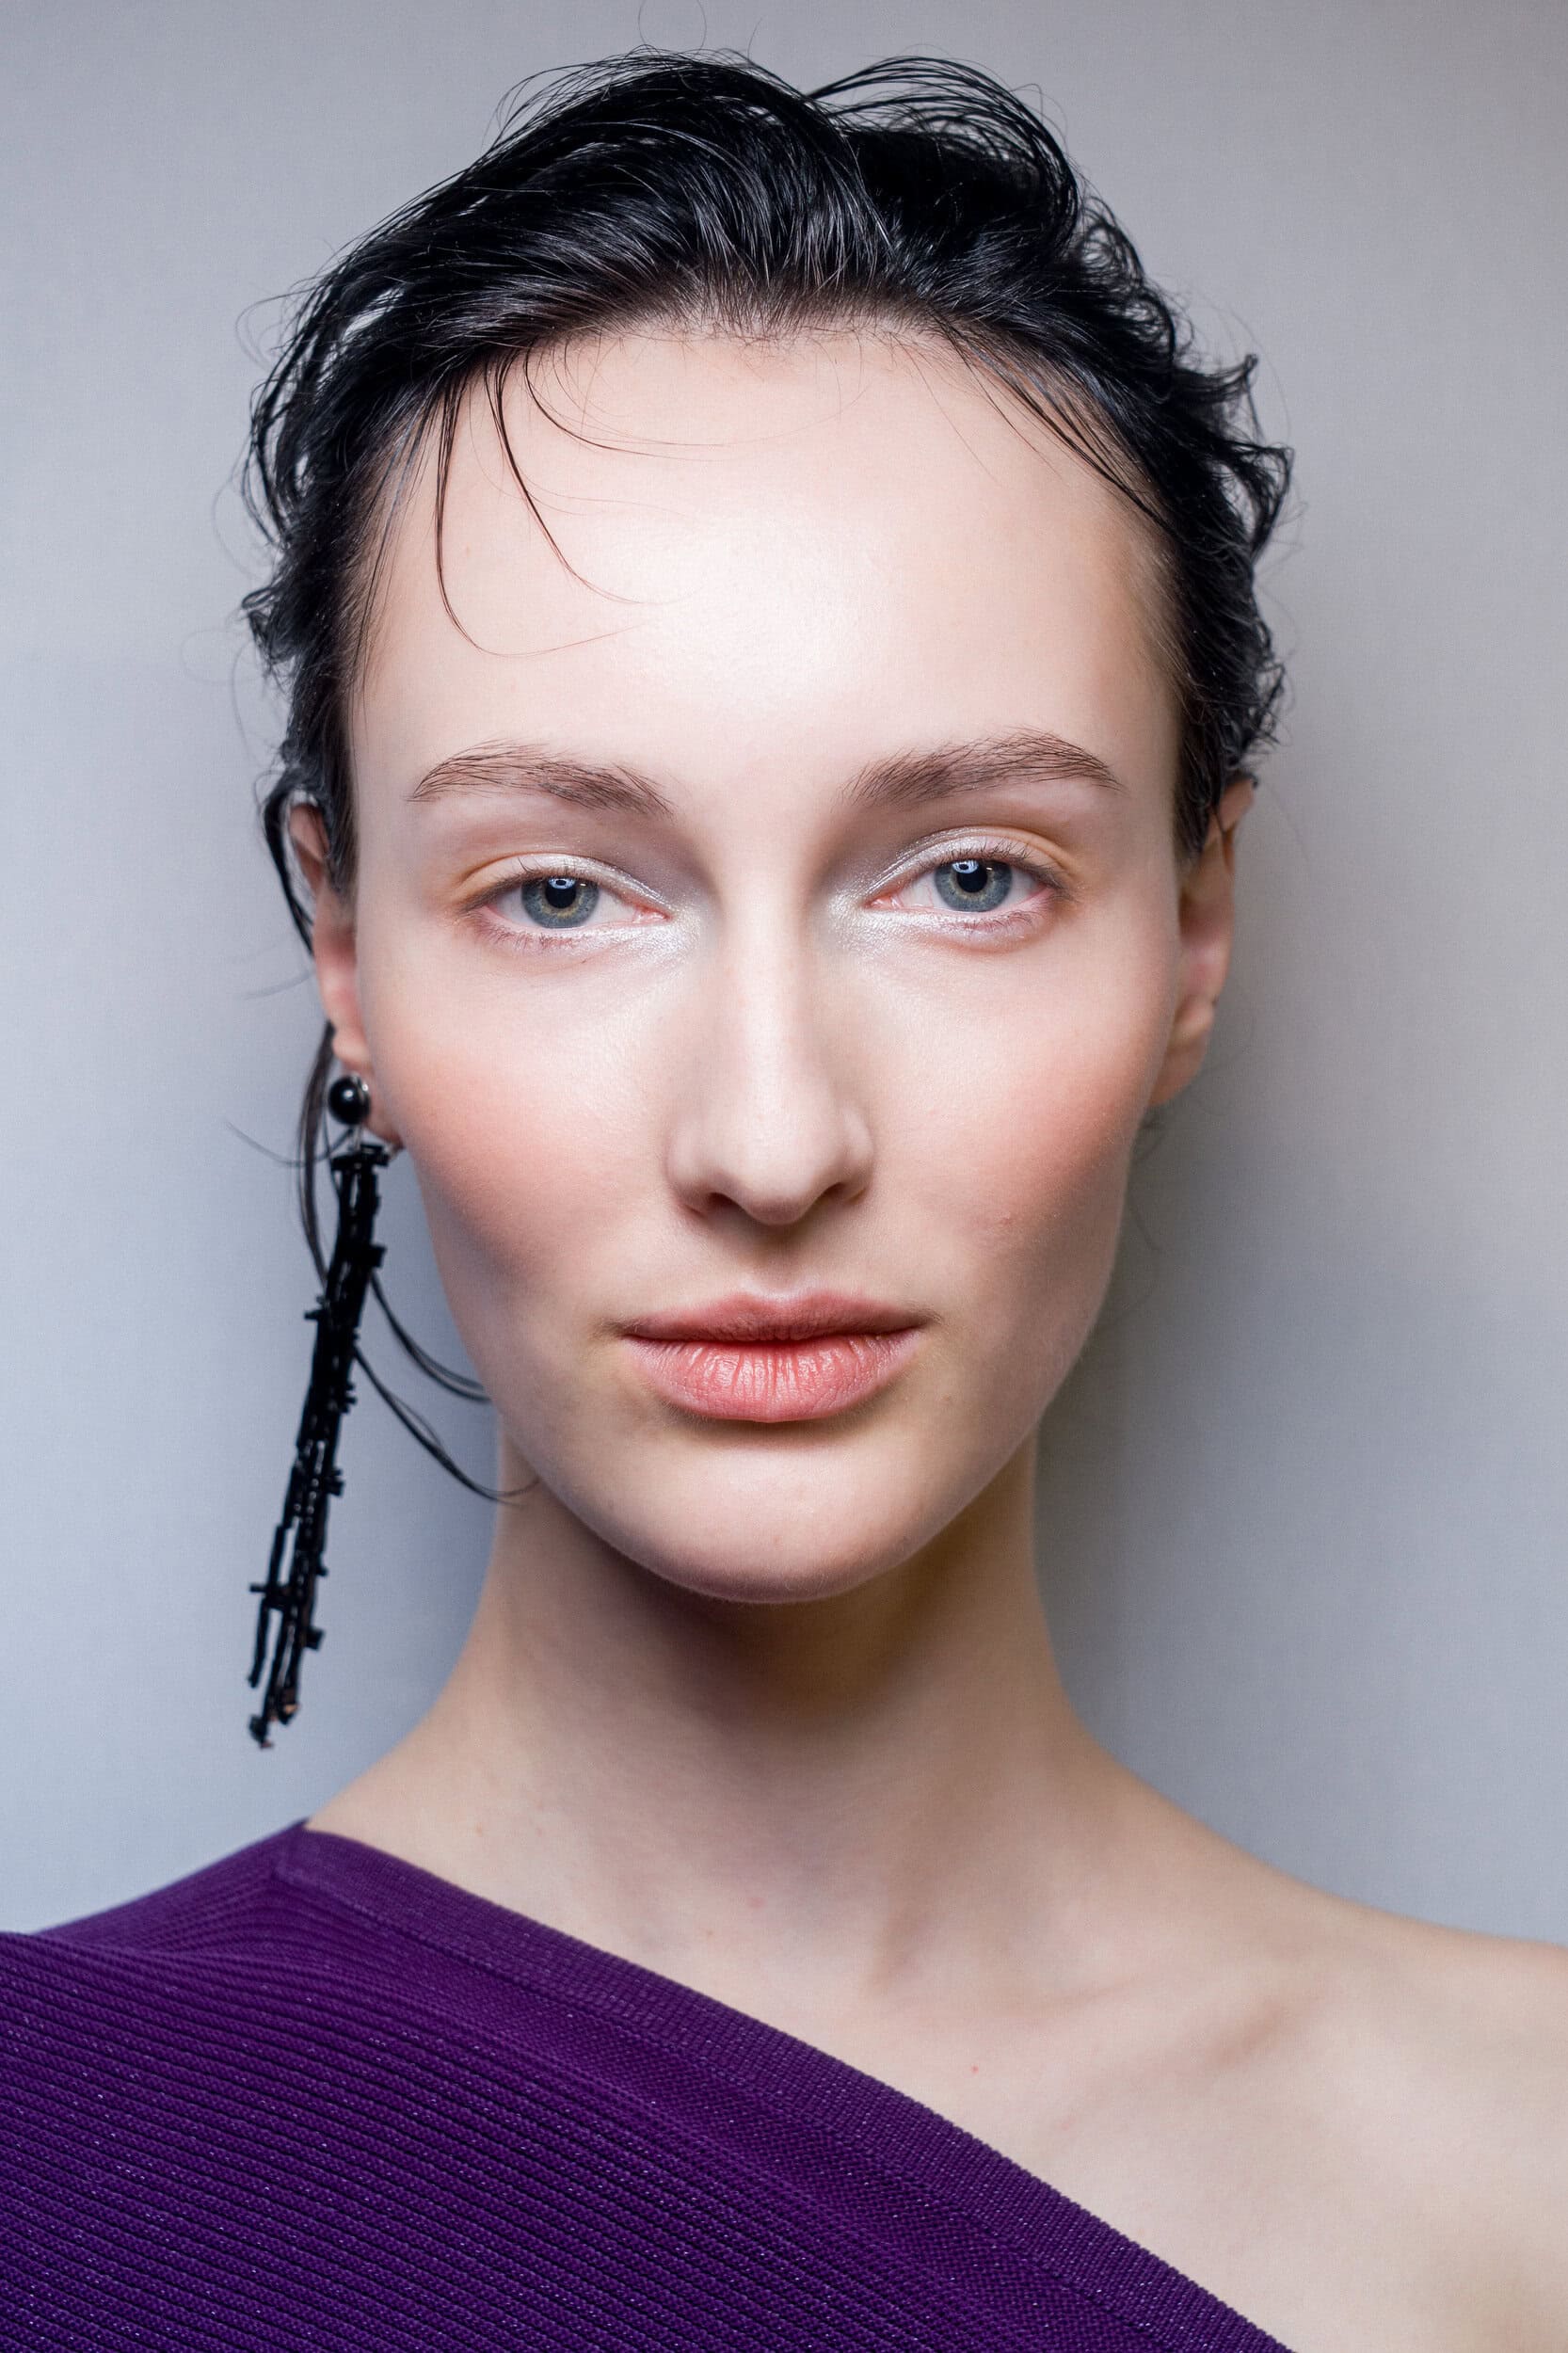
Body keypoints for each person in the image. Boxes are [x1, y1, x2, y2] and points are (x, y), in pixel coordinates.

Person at [4, 48, 1564, 2353]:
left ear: (1190, 923)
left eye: (967, 875)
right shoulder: (44, 2158)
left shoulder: (1529, 2157)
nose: (767, 1137)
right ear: (345, 949)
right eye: (559, 890)